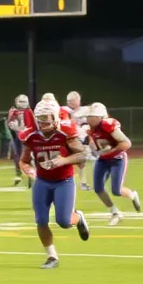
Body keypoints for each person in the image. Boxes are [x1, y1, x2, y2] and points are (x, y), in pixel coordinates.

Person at [18, 101, 91, 268]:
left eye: (46, 118)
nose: (43, 122)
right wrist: (28, 170)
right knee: (41, 220)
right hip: (42, 181)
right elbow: (24, 161)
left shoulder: (65, 133)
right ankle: (52, 256)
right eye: (39, 118)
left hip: (63, 181)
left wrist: (64, 160)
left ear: (56, 117)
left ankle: (78, 218)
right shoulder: (31, 136)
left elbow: (82, 155)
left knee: (64, 221)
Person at [87, 103, 142, 225]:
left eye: (93, 116)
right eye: (89, 116)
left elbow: (126, 143)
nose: (89, 119)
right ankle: (115, 212)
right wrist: (93, 149)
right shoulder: (90, 129)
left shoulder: (108, 125)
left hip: (117, 159)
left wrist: (110, 151)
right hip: (102, 159)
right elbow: (92, 142)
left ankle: (132, 195)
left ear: (101, 117)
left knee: (116, 190)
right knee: (98, 188)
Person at [7, 95, 33, 185]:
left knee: (26, 156)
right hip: (16, 135)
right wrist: (18, 128)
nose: (22, 104)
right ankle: (18, 173)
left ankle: (30, 176)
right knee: (16, 155)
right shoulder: (13, 111)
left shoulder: (30, 111)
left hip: (27, 136)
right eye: (21, 102)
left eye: (24, 102)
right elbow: (9, 123)